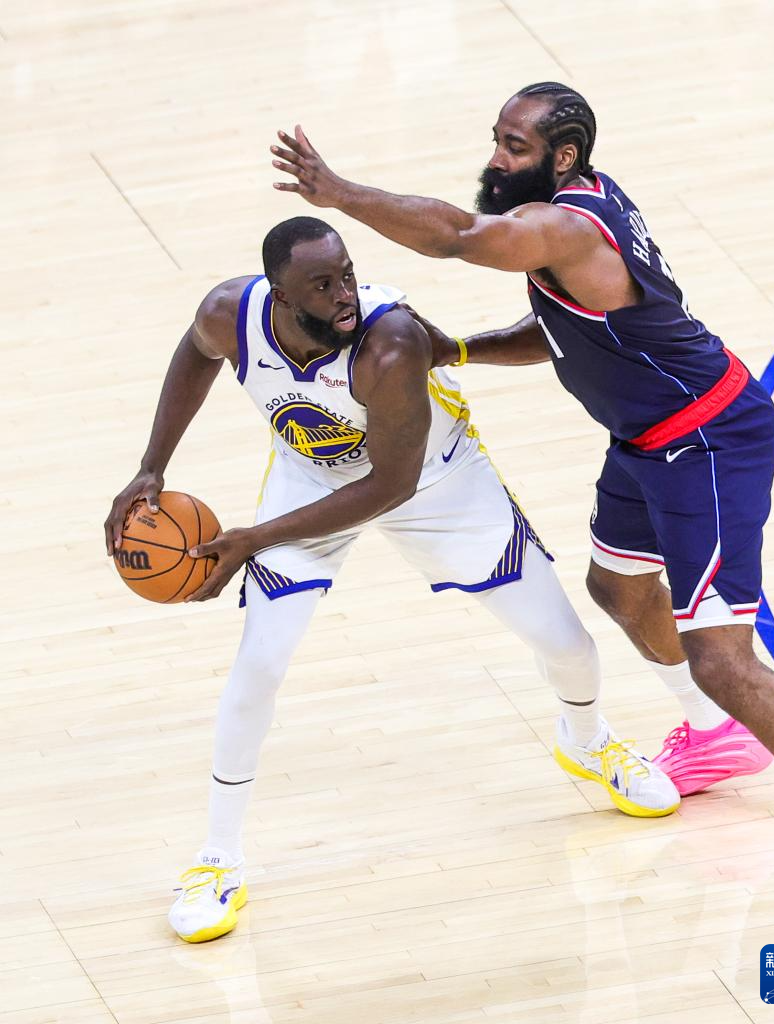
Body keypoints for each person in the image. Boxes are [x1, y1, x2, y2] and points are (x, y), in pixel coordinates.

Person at [268, 86, 774, 930]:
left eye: (515, 146)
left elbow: (459, 238)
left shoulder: (566, 226)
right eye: (497, 139)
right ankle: (717, 737)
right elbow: (562, 331)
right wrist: (461, 350)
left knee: (723, 659)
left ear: (563, 156)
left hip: (708, 442)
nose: (497, 159)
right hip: (648, 440)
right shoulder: (569, 223)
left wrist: (340, 193)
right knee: (619, 589)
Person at [104, 216, 680, 944]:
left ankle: (587, 738)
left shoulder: (392, 342)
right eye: (321, 285)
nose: (344, 293)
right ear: (279, 296)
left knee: (568, 645)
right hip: (310, 479)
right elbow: (197, 352)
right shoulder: (230, 314)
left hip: (435, 484)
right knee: (259, 665)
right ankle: (217, 859)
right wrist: (151, 467)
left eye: (347, 274)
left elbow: (390, 485)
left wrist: (254, 539)